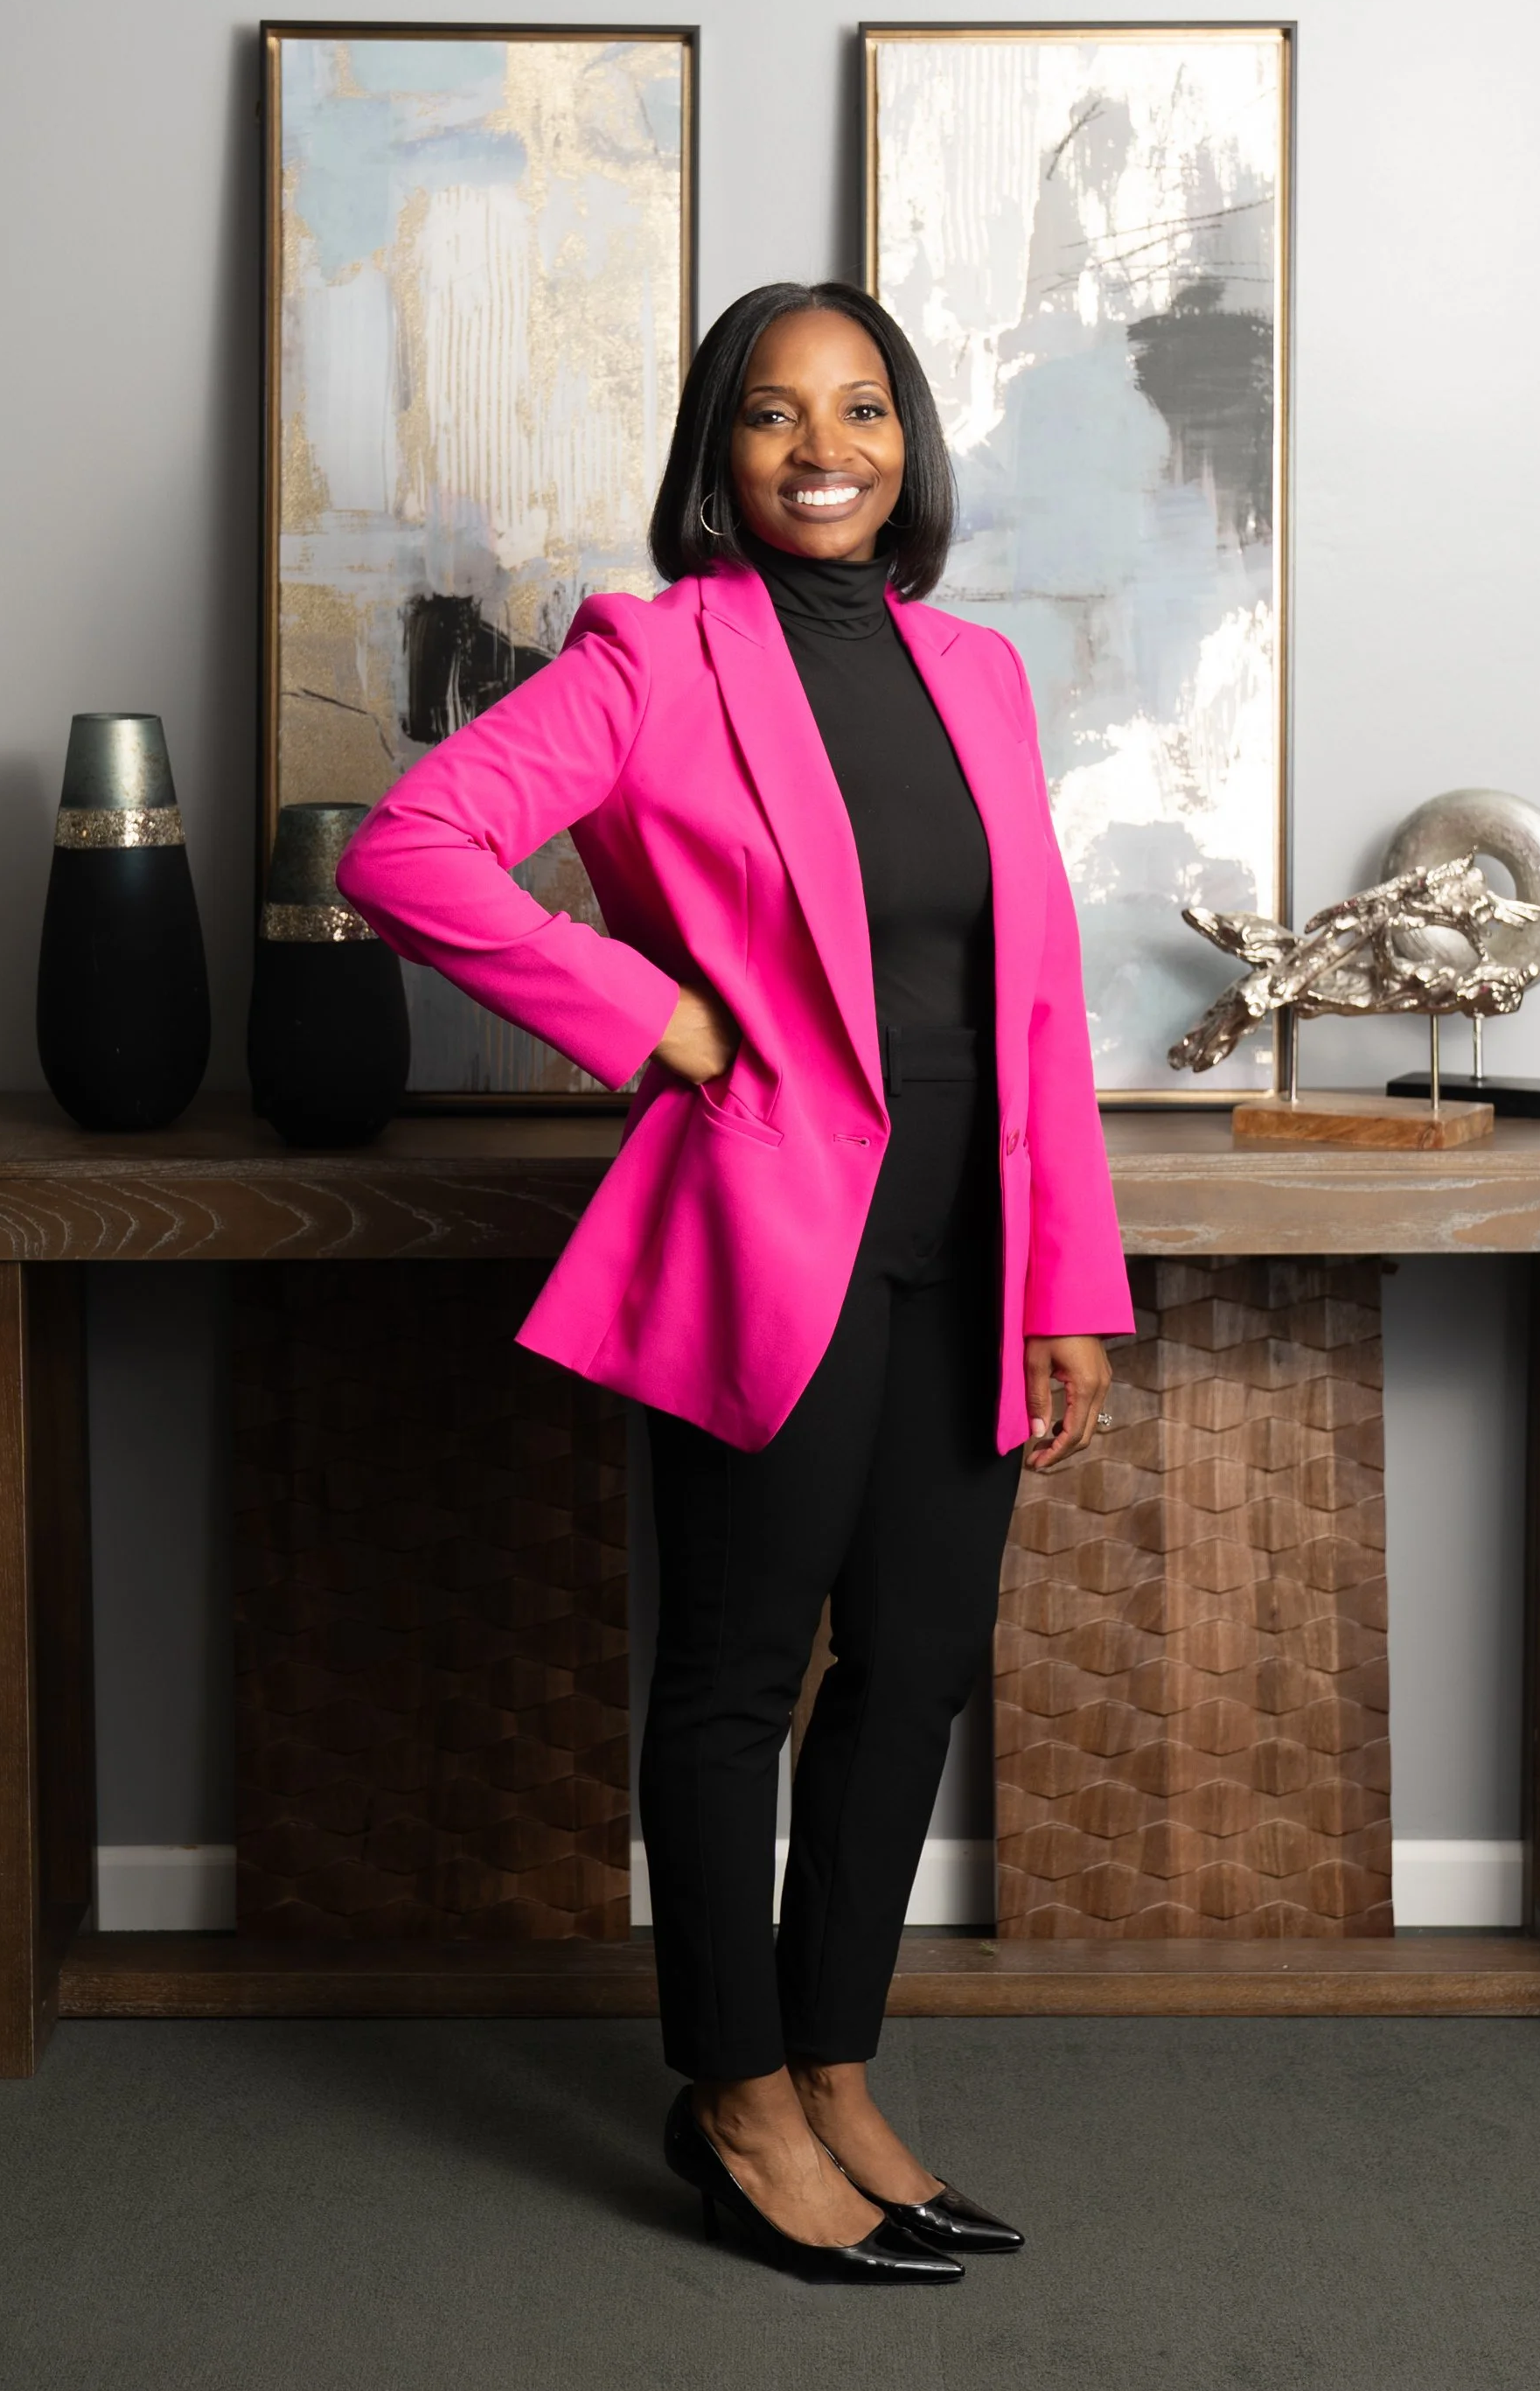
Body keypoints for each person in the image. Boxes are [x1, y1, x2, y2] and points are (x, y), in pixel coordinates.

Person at [337, 282, 1133, 2285]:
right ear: (723, 448)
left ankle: (840, 2069)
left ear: (910, 441)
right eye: (776, 416)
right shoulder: (654, 657)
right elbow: (409, 849)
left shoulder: (978, 672)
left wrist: (1073, 1287)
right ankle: (736, 2099)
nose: (824, 449)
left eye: (862, 410)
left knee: (917, 1665)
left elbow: (1032, 1000)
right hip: (782, 1231)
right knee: (732, 1684)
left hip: (980, 1236)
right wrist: (654, 1020)